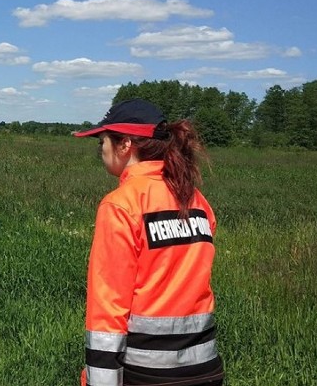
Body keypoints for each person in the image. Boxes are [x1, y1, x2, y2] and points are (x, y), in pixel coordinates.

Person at [74, 99, 223, 386]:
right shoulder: (195, 199)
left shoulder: (121, 206)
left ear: (125, 144)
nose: (100, 150)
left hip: (146, 372)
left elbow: (108, 309)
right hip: (205, 368)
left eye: (102, 141)